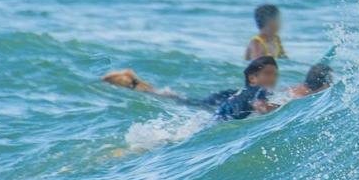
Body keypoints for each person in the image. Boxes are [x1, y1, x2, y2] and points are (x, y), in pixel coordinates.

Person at [102, 56, 280, 120]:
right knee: (194, 106)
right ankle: (134, 84)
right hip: (219, 117)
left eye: (275, 74)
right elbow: (260, 106)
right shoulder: (260, 90)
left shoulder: (238, 92)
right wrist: (285, 109)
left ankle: (135, 84)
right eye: (269, 74)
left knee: (190, 102)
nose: (273, 79)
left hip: (225, 100)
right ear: (252, 78)